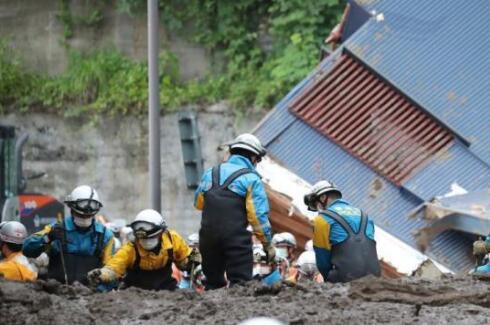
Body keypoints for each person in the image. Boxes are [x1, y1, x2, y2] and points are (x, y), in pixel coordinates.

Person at [194, 133, 274, 289]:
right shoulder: (251, 179)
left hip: (207, 238)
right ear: (252, 157)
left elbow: (198, 203)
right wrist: (267, 245)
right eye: (257, 159)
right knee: (240, 286)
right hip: (236, 240)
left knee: (212, 284)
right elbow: (257, 218)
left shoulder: (210, 173)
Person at [88, 209, 201, 291]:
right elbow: (113, 268)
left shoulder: (172, 239)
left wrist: (193, 259)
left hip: (166, 290)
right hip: (135, 294)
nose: (147, 242)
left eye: (151, 237)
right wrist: (101, 275)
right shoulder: (130, 249)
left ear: (161, 232)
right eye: (142, 239)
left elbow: (184, 261)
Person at [23, 185, 114, 285]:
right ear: (71, 209)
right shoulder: (56, 229)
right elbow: (27, 249)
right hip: (57, 295)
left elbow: (111, 271)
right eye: (80, 215)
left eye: (89, 216)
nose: (84, 218)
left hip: (91, 296)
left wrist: (99, 289)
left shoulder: (105, 236)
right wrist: (48, 238)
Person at [304, 180, 381, 283]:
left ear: (323, 198)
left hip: (345, 277)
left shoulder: (322, 219)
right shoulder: (365, 217)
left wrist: (328, 282)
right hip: (374, 277)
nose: (317, 209)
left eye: (316, 204)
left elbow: (323, 261)